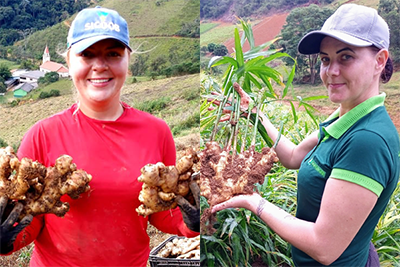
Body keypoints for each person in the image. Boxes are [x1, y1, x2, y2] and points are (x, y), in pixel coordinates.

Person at [0, 6, 199, 266]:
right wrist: (5, 239)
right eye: (88, 54)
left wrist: (194, 221)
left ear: (129, 60)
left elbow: (161, 213)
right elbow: (29, 220)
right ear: (69, 61)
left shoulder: (157, 132)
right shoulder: (42, 135)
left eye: (113, 54)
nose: (100, 66)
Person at [212, 3, 399, 266]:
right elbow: (293, 156)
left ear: (379, 61)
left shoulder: (366, 140)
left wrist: (255, 203)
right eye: (325, 59)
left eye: (346, 57)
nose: (331, 71)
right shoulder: (343, 116)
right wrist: (255, 114)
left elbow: (324, 247)